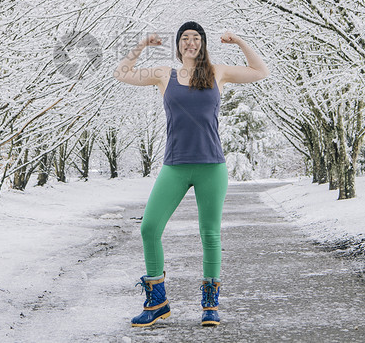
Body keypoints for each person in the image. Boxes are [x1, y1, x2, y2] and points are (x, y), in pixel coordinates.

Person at [113, 21, 269, 327]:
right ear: (178, 45)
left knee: (210, 234)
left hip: (212, 166)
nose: (190, 42)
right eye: (185, 38)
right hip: (175, 165)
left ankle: (210, 305)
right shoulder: (164, 74)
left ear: (203, 44)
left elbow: (260, 71)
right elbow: (121, 73)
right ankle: (157, 301)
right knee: (149, 228)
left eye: (196, 38)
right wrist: (142, 44)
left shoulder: (218, 72)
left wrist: (237, 40)